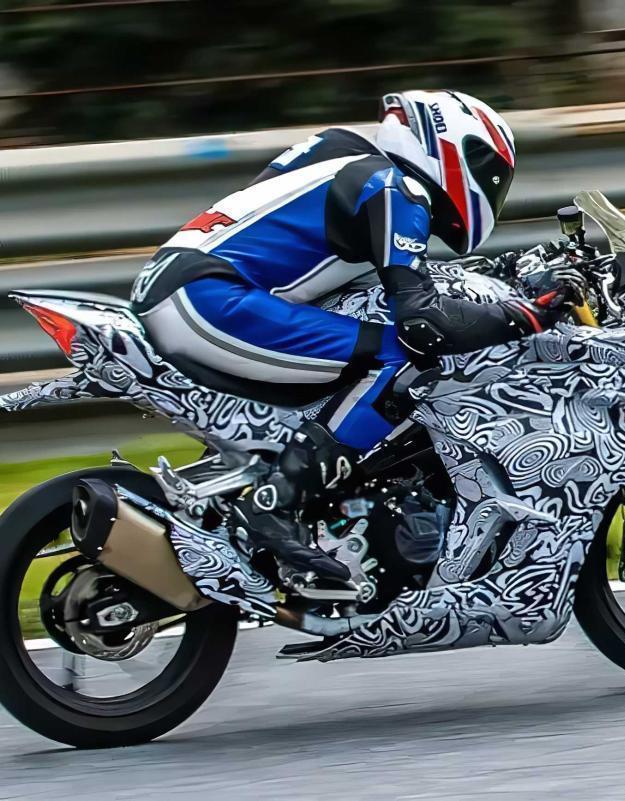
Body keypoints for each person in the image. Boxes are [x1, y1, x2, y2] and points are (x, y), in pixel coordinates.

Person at [132, 90, 576, 581]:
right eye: (489, 174)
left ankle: (260, 491)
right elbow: (422, 320)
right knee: (404, 356)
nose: (491, 189)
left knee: (360, 350)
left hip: (190, 288)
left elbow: (399, 279)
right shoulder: (397, 190)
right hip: (208, 299)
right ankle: (275, 501)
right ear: (450, 147)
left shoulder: (351, 164)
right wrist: (527, 316)